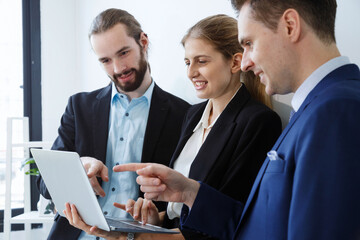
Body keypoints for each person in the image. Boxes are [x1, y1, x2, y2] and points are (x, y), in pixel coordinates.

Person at [110, 0, 360, 239]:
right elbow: (260, 224)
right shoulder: (316, 106)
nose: (247, 61)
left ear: (290, 26)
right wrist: (188, 193)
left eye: (250, 43)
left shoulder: (337, 110)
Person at [63, 14, 282, 240]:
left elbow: (236, 217)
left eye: (202, 61)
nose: (191, 73)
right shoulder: (194, 115)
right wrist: (155, 219)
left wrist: (138, 237)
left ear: (235, 62)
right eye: (188, 62)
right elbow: (179, 210)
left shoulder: (259, 122)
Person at [36, 8, 190, 240]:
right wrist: (79, 165)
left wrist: (156, 215)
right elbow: (45, 185)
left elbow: (182, 205)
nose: (118, 68)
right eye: (106, 60)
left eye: (124, 53)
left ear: (143, 41)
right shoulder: (79, 107)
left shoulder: (183, 115)